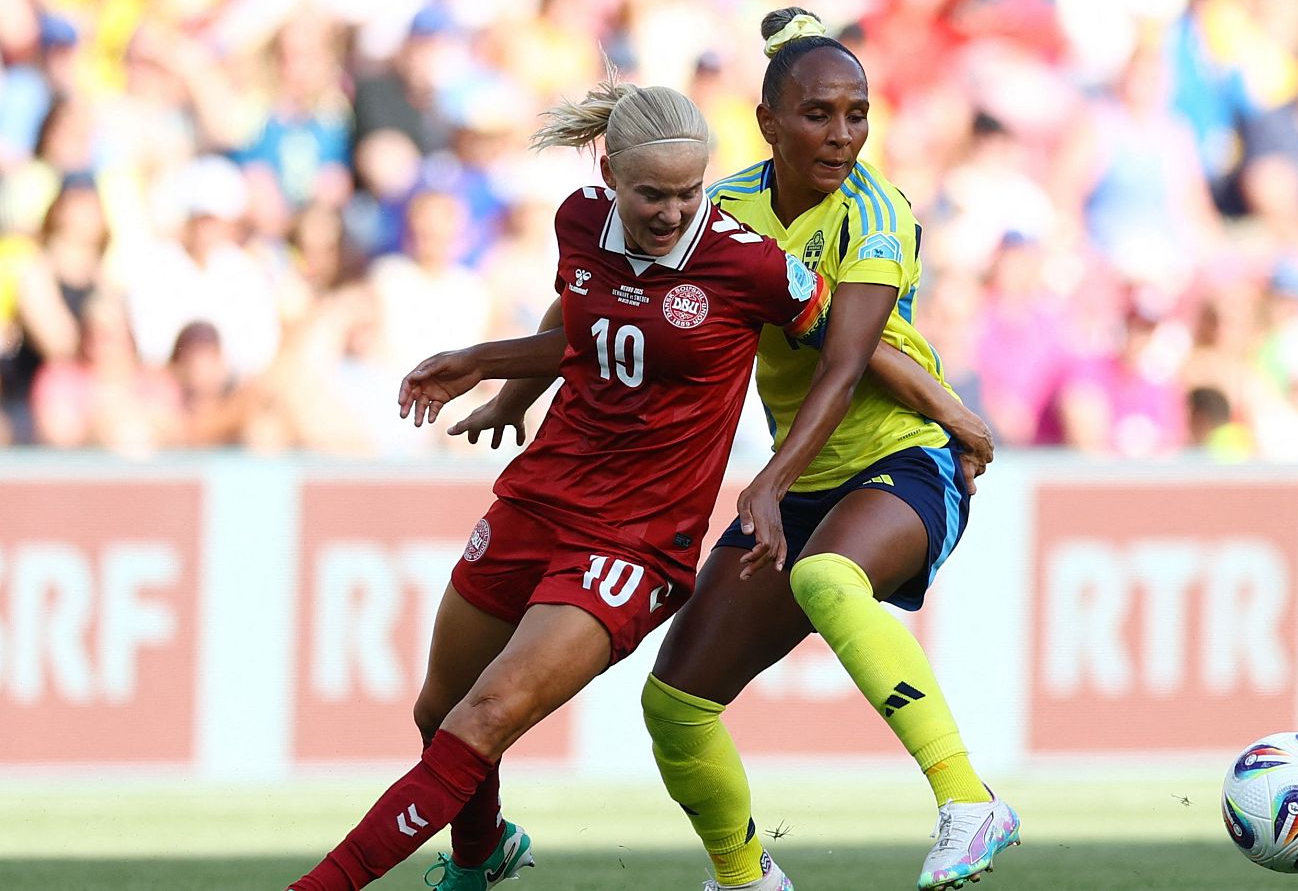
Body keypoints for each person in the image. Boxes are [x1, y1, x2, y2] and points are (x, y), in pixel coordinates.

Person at [456, 9, 1016, 891]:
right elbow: (597, 294)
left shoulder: (877, 215)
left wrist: (783, 476)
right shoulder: (719, 209)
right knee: (675, 704)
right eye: (818, 115)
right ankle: (748, 877)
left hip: (904, 460)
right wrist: (515, 393)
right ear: (768, 123)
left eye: (857, 115)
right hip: (800, 478)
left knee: (826, 578)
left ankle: (967, 799)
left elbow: (845, 364)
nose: (843, 135)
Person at [286, 77, 893, 891]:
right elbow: (582, 322)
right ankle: (480, 854)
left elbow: (855, 350)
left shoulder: (747, 263)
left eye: (689, 192)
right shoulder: (578, 220)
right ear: (610, 175)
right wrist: (497, 376)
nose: (674, 213)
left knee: (484, 718)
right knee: (440, 712)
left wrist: (942, 415)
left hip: (636, 541)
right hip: (542, 495)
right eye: (653, 195)